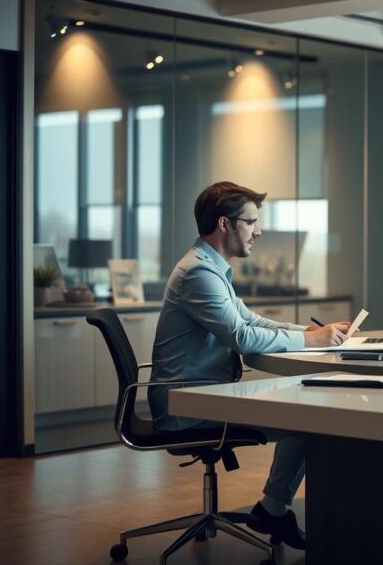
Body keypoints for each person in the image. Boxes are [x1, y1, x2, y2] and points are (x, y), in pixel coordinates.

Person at [149, 181, 350, 550]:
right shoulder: (198, 274)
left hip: (203, 395)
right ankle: (273, 510)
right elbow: (242, 338)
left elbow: (252, 321)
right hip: (187, 405)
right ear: (225, 224)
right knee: (311, 419)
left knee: (308, 411)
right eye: (251, 221)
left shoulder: (211, 268)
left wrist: (308, 331)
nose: (258, 230)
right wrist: (311, 341)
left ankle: (273, 508)